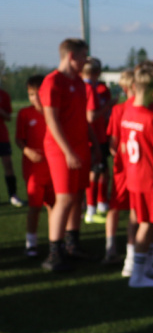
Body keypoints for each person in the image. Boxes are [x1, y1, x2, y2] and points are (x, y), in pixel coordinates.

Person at [40, 38, 97, 270]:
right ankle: (54, 252)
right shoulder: (52, 82)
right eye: (83, 56)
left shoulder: (80, 83)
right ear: (71, 56)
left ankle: (72, 244)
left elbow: (82, 118)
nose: (86, 61)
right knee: (63, 199)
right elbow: (51, 120)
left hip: (80, 148)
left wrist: (94, 144)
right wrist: (68, 152)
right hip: (61, 150)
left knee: (77, 196)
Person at [123, 63, 153, 290]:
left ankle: (146, 266)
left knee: (146, 222)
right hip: (149, 178)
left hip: (133, 176)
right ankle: (137, 275)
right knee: (148, 224)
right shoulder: (151, 117)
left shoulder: (127, 111)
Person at [106, 69, 140, 274]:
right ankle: (133, 253)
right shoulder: (138, 109)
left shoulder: (119, 109)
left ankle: (112, 249)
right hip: (137, 168)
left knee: (117, 207)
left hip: (123, 167)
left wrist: (120, 152)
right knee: (135, 210)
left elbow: (113, 144)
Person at [15, 75, 53, 256]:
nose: (35, 98)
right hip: (33, 170)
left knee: (53, 206)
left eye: (38, 94)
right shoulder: (24, 114)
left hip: (53, 167)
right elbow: (19, 139)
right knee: (34, 207)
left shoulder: (53, 112)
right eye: (31, 94)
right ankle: (31, 243)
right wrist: (27, 151)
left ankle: (55, 242)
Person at [84, 57, 113, 224]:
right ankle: (91, 209)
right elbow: (91, 116)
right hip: (95, 137)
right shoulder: (90, 89)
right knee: (94, 173)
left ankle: (100, 204)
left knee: (101, 172)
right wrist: (108, 106)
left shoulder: (85, 87)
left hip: (94, 136)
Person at [0, 79, 24, 207]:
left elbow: (9, 117)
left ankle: (13, 195)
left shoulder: (4, 95)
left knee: (8, 165)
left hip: (2, 137)